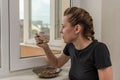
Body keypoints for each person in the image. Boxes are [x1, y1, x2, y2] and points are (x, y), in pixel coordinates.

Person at [35, 7, 113, 80]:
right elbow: (57, 63)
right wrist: (46, 47)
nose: (60, 31)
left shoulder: (99, 49)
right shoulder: (70, 46)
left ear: (77, 29)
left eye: (63, 27)